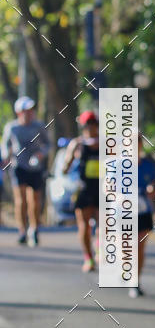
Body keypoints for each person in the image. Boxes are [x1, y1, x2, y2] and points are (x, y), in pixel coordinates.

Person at [1, 96, 49, 246]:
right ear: (18, 112)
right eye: (25, 110)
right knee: (20, 200)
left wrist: (42, 154)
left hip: (35, 167)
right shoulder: (12, 127)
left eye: (31, 110)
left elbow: (48, 144)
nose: (29, 113)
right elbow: (5, 145)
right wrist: (6, 156)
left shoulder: (39, 126)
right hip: (19, 167)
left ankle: (34, 229)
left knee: (34, 200)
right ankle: (22, 230)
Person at [63, 111, 100, 272]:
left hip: (103, 188)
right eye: (87, 125)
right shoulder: (77, 144)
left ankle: (99, 248)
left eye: (93, 124)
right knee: (84, 225)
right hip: (84, 188)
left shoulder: (107, 143)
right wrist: (71, 157)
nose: (90, 128)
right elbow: (65, 168)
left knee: (105, 224)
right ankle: (89, 258)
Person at [130, 134, 155, 299]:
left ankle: (136, 282)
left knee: (139, 246)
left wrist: (151, 189)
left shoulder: (148, 165)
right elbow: (108, 186)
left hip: (143, 210)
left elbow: (153, 185)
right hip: (123, 211)